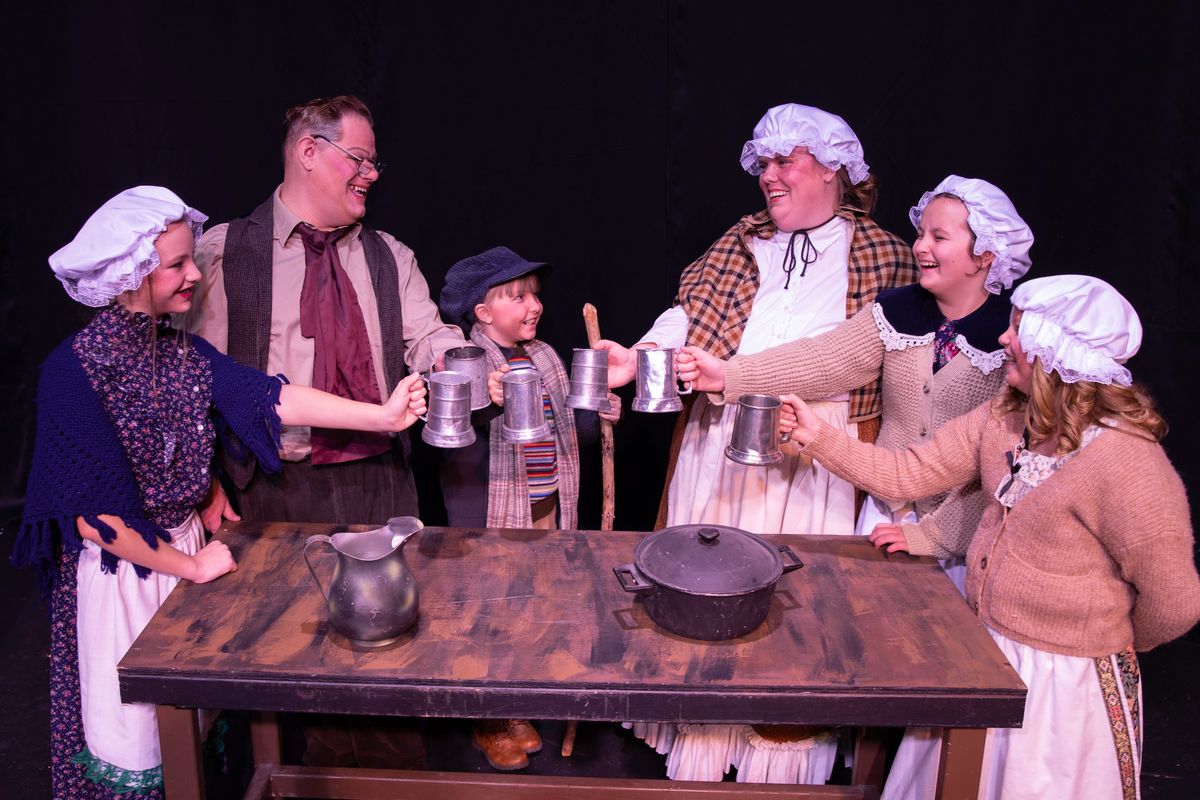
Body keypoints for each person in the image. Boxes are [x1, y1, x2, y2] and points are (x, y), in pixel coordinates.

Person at [12, 186, 427, 799]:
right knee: (141, 739)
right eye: (176, 264)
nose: (194, 273)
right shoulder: (74, 372)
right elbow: (96, 520)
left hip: (181, 557)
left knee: (194, 735)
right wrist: (189, 564)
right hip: (126, 573)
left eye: (190, 259)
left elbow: (271, 396)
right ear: (130, 274)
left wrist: (383, 416)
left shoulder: (178, 351)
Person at [779, 275, 1200, 799]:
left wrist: (1102, 639)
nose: (1003, 339)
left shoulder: (1128, 462)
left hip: (1065, 684)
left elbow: (1174, 603)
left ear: (1052, 352)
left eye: (1018, 332)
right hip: (983, 655)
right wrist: (819, 439)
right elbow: (910, 472)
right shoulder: (1006, 417)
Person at [596, 103, 918, 783]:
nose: (768, 176)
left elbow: (874, 359)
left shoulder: (885, 256)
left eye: (785, 161)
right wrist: (643, 355)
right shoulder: (740, 242)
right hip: (721, 441)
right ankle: (703, 733)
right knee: (704, 585)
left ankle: (780, 747)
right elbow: (690, 315)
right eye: (762, 163)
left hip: (814, 449)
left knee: (795, 599)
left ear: (833, 168)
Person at [678, 175, 1034, 594]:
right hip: (887, 515)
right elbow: (824, 359)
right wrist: (729, 375)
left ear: (986, 253)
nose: (920, 247)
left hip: (962, 531)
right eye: (921, 233)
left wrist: (936, 537)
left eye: (939, 237)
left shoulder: (1011, 341)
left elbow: (999, 465)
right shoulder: (899, 310)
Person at [190, 95, 465, 526]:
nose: (371, 174)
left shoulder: (390, 255)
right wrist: (203, 484)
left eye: (374, 163)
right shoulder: (226, 252)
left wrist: (466, 366)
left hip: (383, 477)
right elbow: (193, 378)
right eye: (359, 159)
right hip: (270, 485)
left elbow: (430, 337)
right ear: (308, 152)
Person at [437, 246, 621, 770]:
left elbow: (570, 431)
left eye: (534, 294)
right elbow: (450, 438)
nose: (532, 305)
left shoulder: (543, 355)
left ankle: (518, 704)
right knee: (490, 615)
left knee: (531, 610)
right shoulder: (465, 360)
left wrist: (597, 409)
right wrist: (485, 401)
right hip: (490, 514)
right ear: (483, 311)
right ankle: (490, 719)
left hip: (547, 507)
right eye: (516, 296)